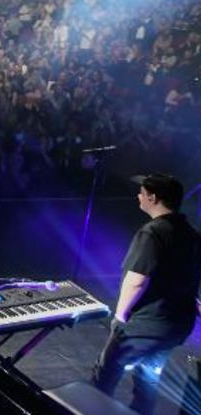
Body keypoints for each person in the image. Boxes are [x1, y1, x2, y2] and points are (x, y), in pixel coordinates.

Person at [92, 173, 201, 413]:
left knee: (105, 375)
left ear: (152, 198)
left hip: (146, 325)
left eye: (141, 192)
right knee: (148, 378)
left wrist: (120, 317)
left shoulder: (152, 233)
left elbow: (137, 281)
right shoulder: (192, 233)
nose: (138, 196)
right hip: (176, 325)